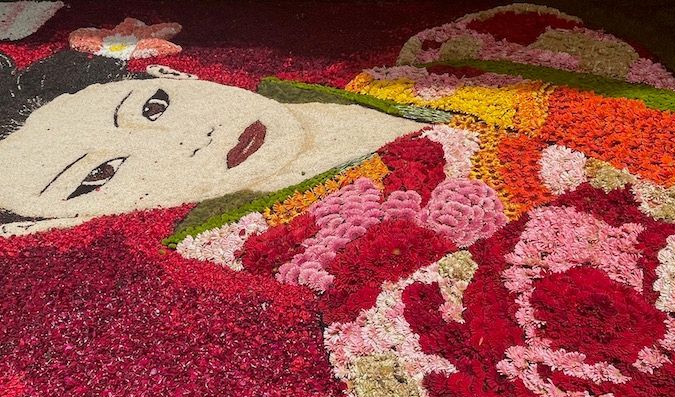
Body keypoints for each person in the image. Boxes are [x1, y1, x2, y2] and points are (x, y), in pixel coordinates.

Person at [0, 50, 423, 235]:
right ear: (52, 224)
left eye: (153, 108)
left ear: (171, 75)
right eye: (100, 173)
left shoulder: (417, 66)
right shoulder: (310, 257)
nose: (191, 141)